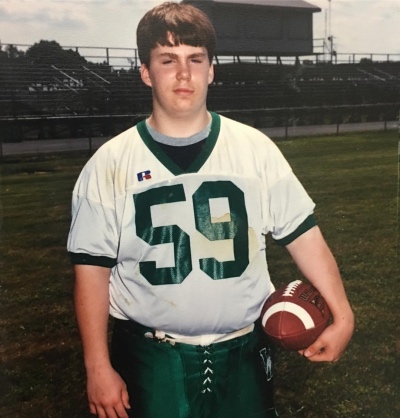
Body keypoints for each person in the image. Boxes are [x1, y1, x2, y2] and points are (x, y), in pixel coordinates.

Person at [67, 2, 354, 418]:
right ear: (146, 71)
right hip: (151, 355)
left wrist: (343, 316)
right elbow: (92, 273)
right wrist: (97, 367)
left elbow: (304, 236)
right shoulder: (109, 164)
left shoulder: (254, 149)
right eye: (168, 60)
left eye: (195, 59)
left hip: (244, 350)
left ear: (211, 69)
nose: (184, 73)